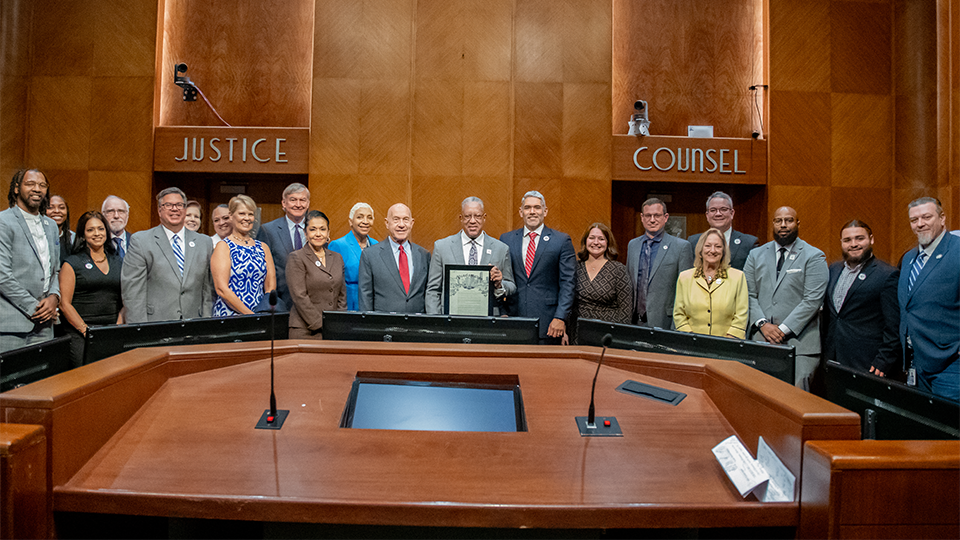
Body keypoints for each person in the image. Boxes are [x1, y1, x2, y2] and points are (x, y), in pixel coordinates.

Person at [743, 206, 828, 390]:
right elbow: (747, 294)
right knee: (760, 396)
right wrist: (763, 324)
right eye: (778, 220)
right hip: (761, 339)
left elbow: (812, 300)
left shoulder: (814, 256)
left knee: (796, 401)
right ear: (772, 223)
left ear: (797, 223)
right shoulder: (755, 255)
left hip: (800, 345)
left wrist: (781, 330)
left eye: (788, 220)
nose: (783, 225)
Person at [121, 187, 215, 323]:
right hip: (156, 324)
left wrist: (206, 322)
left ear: (184, 209)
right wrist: (139, 329)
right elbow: (133, 292)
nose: (174, 209)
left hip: (195, 324)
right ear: (159, 211)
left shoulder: (204, 242)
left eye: (179, 205)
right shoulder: (141, 241)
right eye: (168, 205)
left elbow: (208, 290)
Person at [897, 197, 959, 401]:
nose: (920, 224)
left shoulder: (957, 250)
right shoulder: (908, 258)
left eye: (926, 217)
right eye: (914, 220)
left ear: (942, 219)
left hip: (951, 365)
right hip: (917, 363)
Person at [822, 220, 901, 377]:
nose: (853, 244)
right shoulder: (833, 269)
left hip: (867, 363)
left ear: (871, 239)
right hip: (833, 357)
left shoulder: (887, 275)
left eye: (859, 238)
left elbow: (894, 325)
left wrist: (884, 360)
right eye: (847, 240)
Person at [500, 191, 576, 344]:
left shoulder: (561, 241)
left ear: (545, 211)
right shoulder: (506, 239)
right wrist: (502, 313)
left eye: (537, 207)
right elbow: (501, 278)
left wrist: (560, 317)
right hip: (514, 321)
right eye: (527, 208)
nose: (532, 212)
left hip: (549, 324)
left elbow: (568, 283)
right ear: (521, 212)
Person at [0, 169, 61, 353]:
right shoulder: (3, 221)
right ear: (17, 189)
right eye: (30, 184)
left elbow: (55, 271)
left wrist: (54, 297)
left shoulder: (50, 225)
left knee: (42, 381)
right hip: (12, 325)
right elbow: (2, 275)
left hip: (45, 325)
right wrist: (35, 307)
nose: (37, 189)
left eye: (42, 185)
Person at [426, 197, 515, 315]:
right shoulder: (442, 247)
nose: (472, 221)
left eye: (477, 216)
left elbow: (511, 286)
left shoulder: (501, 249)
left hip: (488, 322)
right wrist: (436, 322)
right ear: (461, 218)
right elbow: (433, 290)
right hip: (450, 321)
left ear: (484, 218)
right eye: (467, 216)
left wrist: (499, 284)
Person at [58, 211, 124, 367]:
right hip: (80, 333)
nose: (96, 234)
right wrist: (86, 331)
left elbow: (126, 299)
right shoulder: (72, 263)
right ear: (82, 234)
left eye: (101, 229)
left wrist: (118, 326)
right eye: (90, 230)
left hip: (111, 332)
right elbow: (64, 304)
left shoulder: (118, 261)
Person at [626, 198, 694, 329]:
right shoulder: (633, 245)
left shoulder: (681, 247)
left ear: (666, 217)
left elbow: (686, 292)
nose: (652, 220)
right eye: (648, 215)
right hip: (635, 322)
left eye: (657, 215)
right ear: (642, 217)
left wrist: (678, 326)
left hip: (665, 322)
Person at [673, 228, 749, 339]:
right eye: (708, 246)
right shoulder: (685, 277)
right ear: (700, 249)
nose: (712, 250)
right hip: (692, 345)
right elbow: (679, 314)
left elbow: (741, 315)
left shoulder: (738, 277)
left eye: (718, 246)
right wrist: (690, 338)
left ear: (724, 251)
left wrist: (729, 340)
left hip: (727, 345)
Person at [358, 203, 431, 313]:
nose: (401, 225)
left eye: (405, 219)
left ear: (412, 223)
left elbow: (428, 292)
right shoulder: (370, 255)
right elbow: (365, 296)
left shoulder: (423, 255)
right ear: (387, 223)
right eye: (396, 219)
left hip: (417, 325)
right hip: (384, 325)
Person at [211, 195, 277, 316]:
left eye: (250, 214)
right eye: (242, 213)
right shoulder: (223, 246)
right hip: (230, 316)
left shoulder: (263, 247)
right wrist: (250, 315)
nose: (247, 218)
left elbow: (270, 287)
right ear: (231, 216)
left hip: (260, 314)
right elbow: (222, 289)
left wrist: (262, 312)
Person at [569, 223, 633, 344]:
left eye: (601, 239)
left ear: (608, 243)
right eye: (592, 238)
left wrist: (618, 338)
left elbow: (626, 311)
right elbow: (567, 302)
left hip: (607, 335)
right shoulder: (574, 267)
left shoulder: (618, 270)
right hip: (577, 333)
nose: (596, 242)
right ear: (585, 241)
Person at [286, 210, 346, 339]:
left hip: (333, 330)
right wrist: (321, 324)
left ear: (328, 233)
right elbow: (299, 296)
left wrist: (338, 322)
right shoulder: (297, 257)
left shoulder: (337, 258)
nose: (318, 234)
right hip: (305, 330)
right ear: (305, 233)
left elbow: (342, 295)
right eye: (313, 229)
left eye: (322, 229)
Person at [256, 183, 310, 304]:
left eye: (303, 200)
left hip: (312, 300)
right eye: (293, 200)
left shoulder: (316, 229)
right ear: (284, 203)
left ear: (308, 204)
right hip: (281, 301)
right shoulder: (268, 230)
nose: (298, 204)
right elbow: (263, 269)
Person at [687, 191, 758, 270]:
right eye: (713, 210)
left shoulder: (749, 243)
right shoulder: (693, 242)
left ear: (732, 213)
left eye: (723, 209)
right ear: (707, 215)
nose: (718, 214)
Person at [328, 202, 378, 311]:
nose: (365, 221)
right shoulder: (338, 245)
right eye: (360, 217)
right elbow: (332, 283)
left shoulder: (377, 245)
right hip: (349, 306)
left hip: (374, 306)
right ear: (351, 221)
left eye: (369, 218)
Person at [47, 194, 74, 263]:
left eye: (61, 208)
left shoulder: (73, 238)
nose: (56, 211)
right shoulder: (37, 237)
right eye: (50, 208)